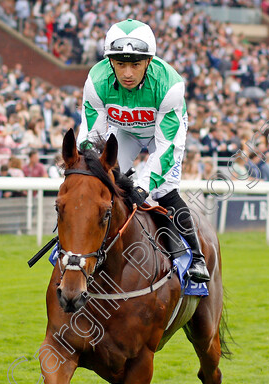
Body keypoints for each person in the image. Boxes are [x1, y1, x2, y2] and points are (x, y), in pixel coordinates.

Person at [77, 19, 209, 282]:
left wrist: (144, 186)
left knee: (163, 190)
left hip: (163, 134)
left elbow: (167, 147)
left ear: (149, 62)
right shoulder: (96, 79)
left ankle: (196, 256)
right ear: (110, 62)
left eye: (135, 64)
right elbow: (91, 138)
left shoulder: (170, 84)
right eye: (120, 63)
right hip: (124, 130)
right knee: (98, 180)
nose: (127, 73)